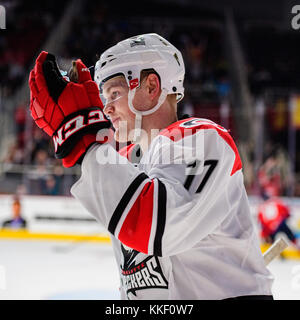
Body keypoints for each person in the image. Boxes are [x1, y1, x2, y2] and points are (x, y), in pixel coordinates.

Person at [28, 33, 273, 300]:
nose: (106, 109)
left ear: (151, 86)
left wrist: (83, 140)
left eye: (115, 94)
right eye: (104, 98)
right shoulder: (124, 161)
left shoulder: (202, 139)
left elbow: (157, 226)